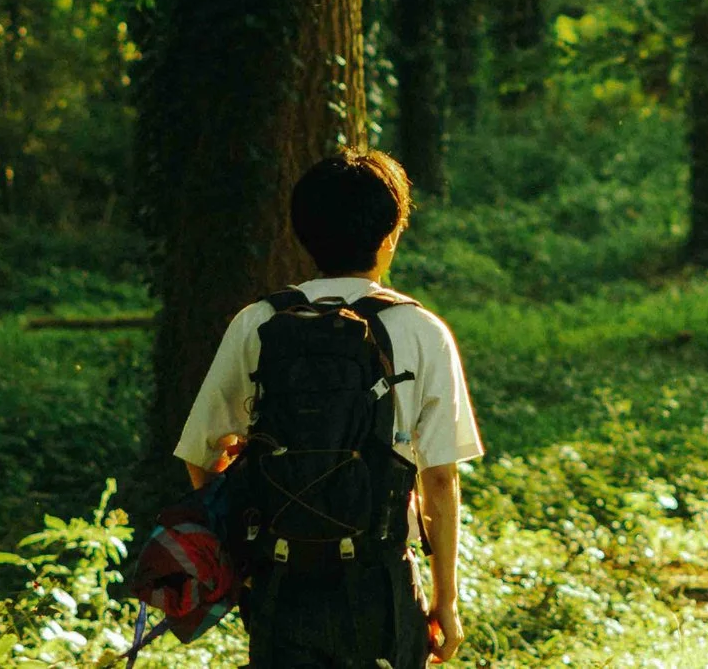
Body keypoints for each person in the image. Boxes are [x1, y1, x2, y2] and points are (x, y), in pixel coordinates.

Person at [175, 151, 480, 667]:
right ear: (390, 236)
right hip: (380, 583)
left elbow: (201, 455)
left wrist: (239, 554)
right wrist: (446, 601)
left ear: (302, 232)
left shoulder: (256, 322)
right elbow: (441, 480)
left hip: (281, 584)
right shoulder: (424, 332)